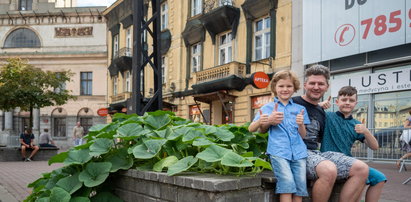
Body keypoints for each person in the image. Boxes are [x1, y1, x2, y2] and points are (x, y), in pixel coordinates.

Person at [288, 64, 368, 202]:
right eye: (312, 83)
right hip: (294, 153)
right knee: (328, 170)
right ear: (305, 85)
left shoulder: (320, 111)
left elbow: (318, 138)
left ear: (327, 86)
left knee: (361, 169)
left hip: (315, 153)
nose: (316, 87)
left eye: (321, 84)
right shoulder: (290, 103)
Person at [249, 70, 310, 202]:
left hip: (299, 153)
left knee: (300, 187)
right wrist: (266, 120)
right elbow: (252, 128)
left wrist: (300, 124)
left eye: (289, 86)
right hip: (279, 152)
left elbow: (303, 135)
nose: (285, 89)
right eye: (281, 86)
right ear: (275, 88)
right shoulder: (267, 108)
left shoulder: (300, 109)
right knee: (287, 184)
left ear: (294, 89)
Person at [320, 86, 386, 202]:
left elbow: (375, 146)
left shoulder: (356, 124)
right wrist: (320, 105)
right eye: (344, 100)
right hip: (328, 160)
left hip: (348, 161)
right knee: (361, 171)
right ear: (337, 102)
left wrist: (366, 131)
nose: (347, 103)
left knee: (380, 178)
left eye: (351, 100)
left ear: (356, 103)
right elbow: (309, 109)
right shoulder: (328, 116)